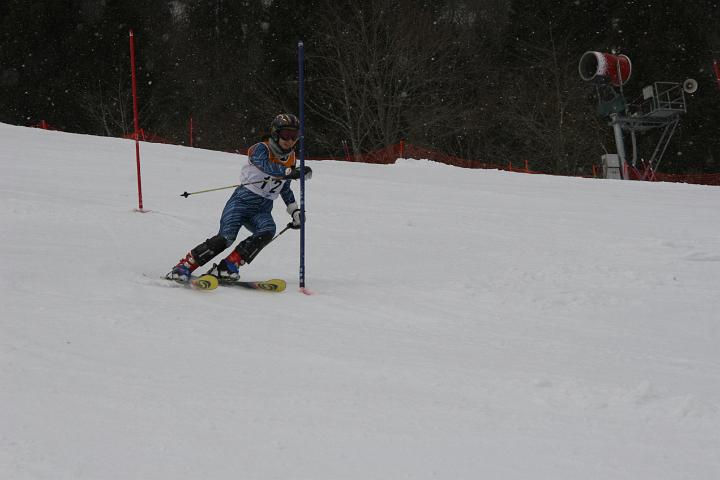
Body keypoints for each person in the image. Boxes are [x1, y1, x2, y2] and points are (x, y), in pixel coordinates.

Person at [168, 113, 311, 282]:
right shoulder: (260, 148)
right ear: (275, 133)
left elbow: (284, 187)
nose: (290, 140)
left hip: (263, 208)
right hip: (241, 202)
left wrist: (294, 210)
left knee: (267, 230)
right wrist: (289, 172)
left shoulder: (291, 158)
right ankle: (185, 265)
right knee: (225, 238)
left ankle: (228, 266)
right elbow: (266, 166)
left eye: (294, 136)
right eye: (286, 135)